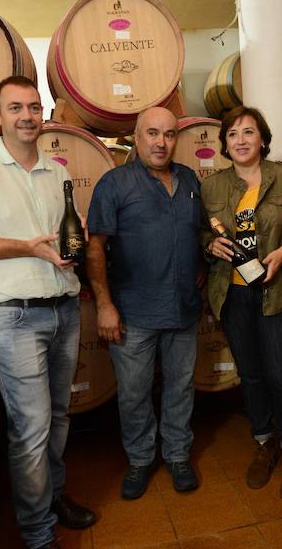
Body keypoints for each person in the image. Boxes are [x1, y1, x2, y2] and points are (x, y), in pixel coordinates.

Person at [0, 75, 95, 549]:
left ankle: (54, 497)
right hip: (14, 318)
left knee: (61, 415)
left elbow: (60, 241)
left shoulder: (58, 172)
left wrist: (74, 241)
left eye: (33, 107)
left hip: (63, 307)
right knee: (31, 428)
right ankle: (38, 532)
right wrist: (27, 249)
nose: (27, 116)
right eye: (16, 108)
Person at [86, 106, 204, 500]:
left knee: (181, 386)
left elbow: (200, 234)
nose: (161, 142)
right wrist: (104, 305)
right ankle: (139, 460)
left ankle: (177, 455)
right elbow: (96, 247)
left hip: (184, 308)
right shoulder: (115, 183)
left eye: (169, 134)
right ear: (136, 138)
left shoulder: (189, 180)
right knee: (134, 392)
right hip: (134, 311)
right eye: (152, 133)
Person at [200, 106, 282, 502]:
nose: (241, 140)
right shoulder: (212, 187)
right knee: (251, 374)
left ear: (262, 139)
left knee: (281, 373)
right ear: (225, 144)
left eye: (249, 132)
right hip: (231, 293)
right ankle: (265, 442)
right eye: (233, 134)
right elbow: (201, 232)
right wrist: (209, 243)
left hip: (277, 288)